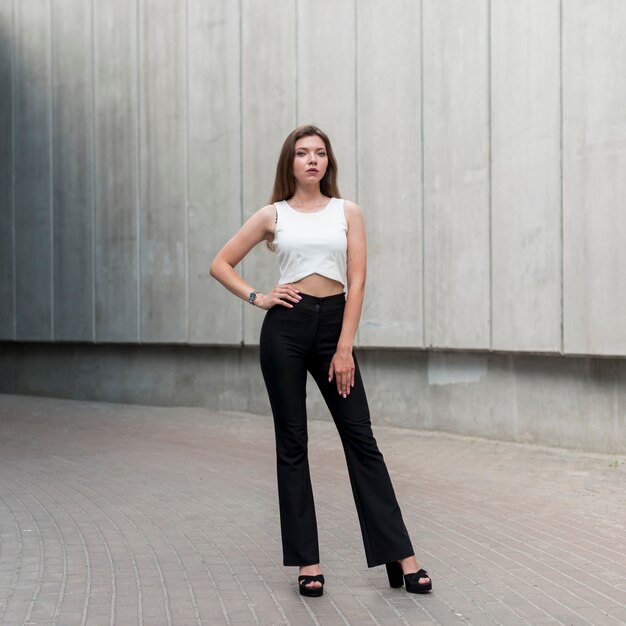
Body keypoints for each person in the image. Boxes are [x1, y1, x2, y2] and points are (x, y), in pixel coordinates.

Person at [210, 125, 432, 597]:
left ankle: (401, 555)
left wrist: (345, 346)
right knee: (293, 444)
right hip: (286, 329)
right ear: (289, 163)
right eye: (302, 153)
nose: (312, 160)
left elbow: (357, 279)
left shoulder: (346, 212)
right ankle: (307, 563)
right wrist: (259, 296)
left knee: (361, 438)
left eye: (320, 153)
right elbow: (220, 263)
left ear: (328, 163)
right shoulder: (272, 215)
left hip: (335, 325)